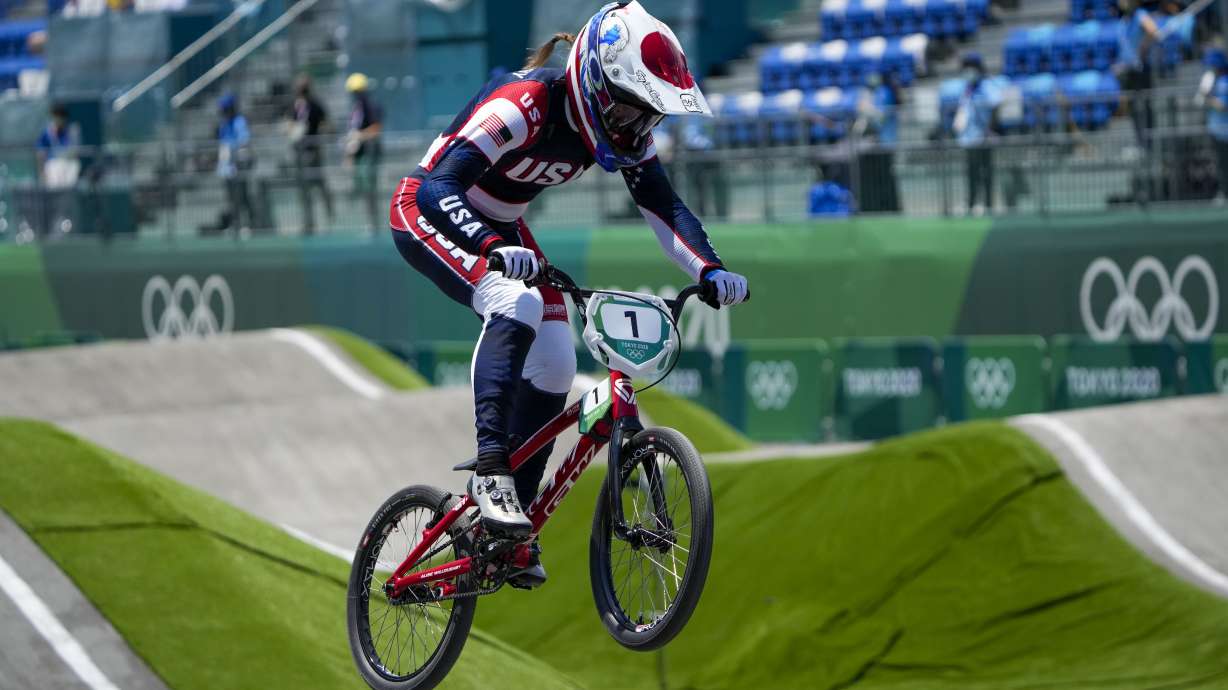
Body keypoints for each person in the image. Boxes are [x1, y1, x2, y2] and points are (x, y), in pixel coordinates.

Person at [387, 1, 749, 587]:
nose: (637, 128)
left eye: (648, 117)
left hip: (503, 228)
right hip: (427, 208)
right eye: (632, 109)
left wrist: (708, 269)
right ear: (596, 86)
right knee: (516, 303)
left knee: (556, 361)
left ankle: (512, 527)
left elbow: (663, 205)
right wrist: (487, 246)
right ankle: (490, 468)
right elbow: (439, 185)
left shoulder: (618, 131)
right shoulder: (524, 104)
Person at [953, 53, 1003, 216]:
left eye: (971, 68)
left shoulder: (987, 86)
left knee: (985, 172)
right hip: (968, 138)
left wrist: (989, 130)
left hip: (983, 137)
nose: (968, 71)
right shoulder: (967, 88)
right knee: (971, 173)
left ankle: (988, 205)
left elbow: (996, 106)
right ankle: (971, 203)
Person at [285, 75, 334, 234]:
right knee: (304, 188)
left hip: (313, 151)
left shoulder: (315, 104)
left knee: (319, 183)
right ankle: (308, 221)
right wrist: (293, 130)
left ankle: (329, 212)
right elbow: (290, 124)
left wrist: (319, 134)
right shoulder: (296, 106)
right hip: (300, 152)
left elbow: (326, 122)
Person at [1117, 0, 1162, 148]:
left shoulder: (1139, 14)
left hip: (1140, 69)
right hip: (1128, 70)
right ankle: (1141, 144)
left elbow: (1153, 31)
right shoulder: (1124, 20)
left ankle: (1149, 144)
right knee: (1134, 109)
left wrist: (1143, 48)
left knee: (1145, 107)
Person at [345, 73, 383, 233]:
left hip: (369, 154)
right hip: (360, 154)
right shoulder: (356, 109)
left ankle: (374, 223)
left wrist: (360, 136)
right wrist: (349, 154)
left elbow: (376, 129)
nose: (356, 95)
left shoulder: (370, 106)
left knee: (369, 188)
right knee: (362, 188)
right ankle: (369, 221)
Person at [217, 92, 255, 235]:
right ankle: (235, 224)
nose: (225, 112)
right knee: (231, 198)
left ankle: (248, 224)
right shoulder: (223, 124)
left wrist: (235, 152)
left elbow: (244, 140)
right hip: (227, 166)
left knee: (243, 195)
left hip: (240, 163)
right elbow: (222, 143)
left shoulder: (239, 121)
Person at [1205, 48, 1228, 203]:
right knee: (1221, 165)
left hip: (1225, 131)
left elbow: (1223, 106)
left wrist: (1208, 99)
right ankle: (1224, 192)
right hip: (1217, 130)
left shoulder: (1225, 82)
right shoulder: (1214, 81)